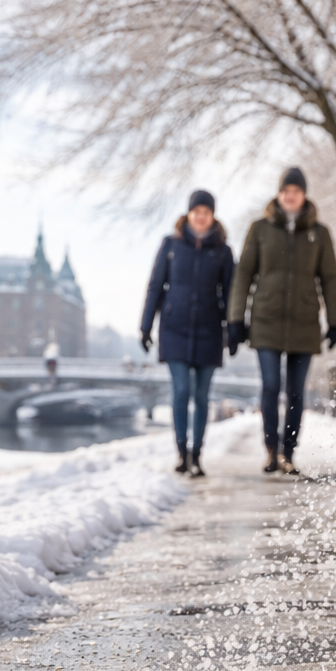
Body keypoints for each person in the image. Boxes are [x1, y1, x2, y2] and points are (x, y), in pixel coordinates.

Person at [228, 167, 336, 475]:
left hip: (304, 324)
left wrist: (334, 321)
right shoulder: (260, 229)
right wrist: (236, 319)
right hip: (265, 321)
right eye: (285, 190)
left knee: (295, 391)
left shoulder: (320, 232)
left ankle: (288, 454)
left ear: (304, 195)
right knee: (270, 385)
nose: (290, 195)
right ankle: (270, 451)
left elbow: (329, 278)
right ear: (279, 194)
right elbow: (243, 276)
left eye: (296, 190)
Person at [141, 190, 235, 477]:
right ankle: (181, 452)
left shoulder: (223, 251)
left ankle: (197, 454)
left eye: (206, 211)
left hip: (209, 331)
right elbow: (155, 286)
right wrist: (146, 325)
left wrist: (233, 331)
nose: (201, 216)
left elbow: (232, 294)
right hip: (175, 329)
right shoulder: (170, 245)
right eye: (197, 211)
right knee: (181, 390)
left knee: (202, 396)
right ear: (189, 214)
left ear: (212, 216)